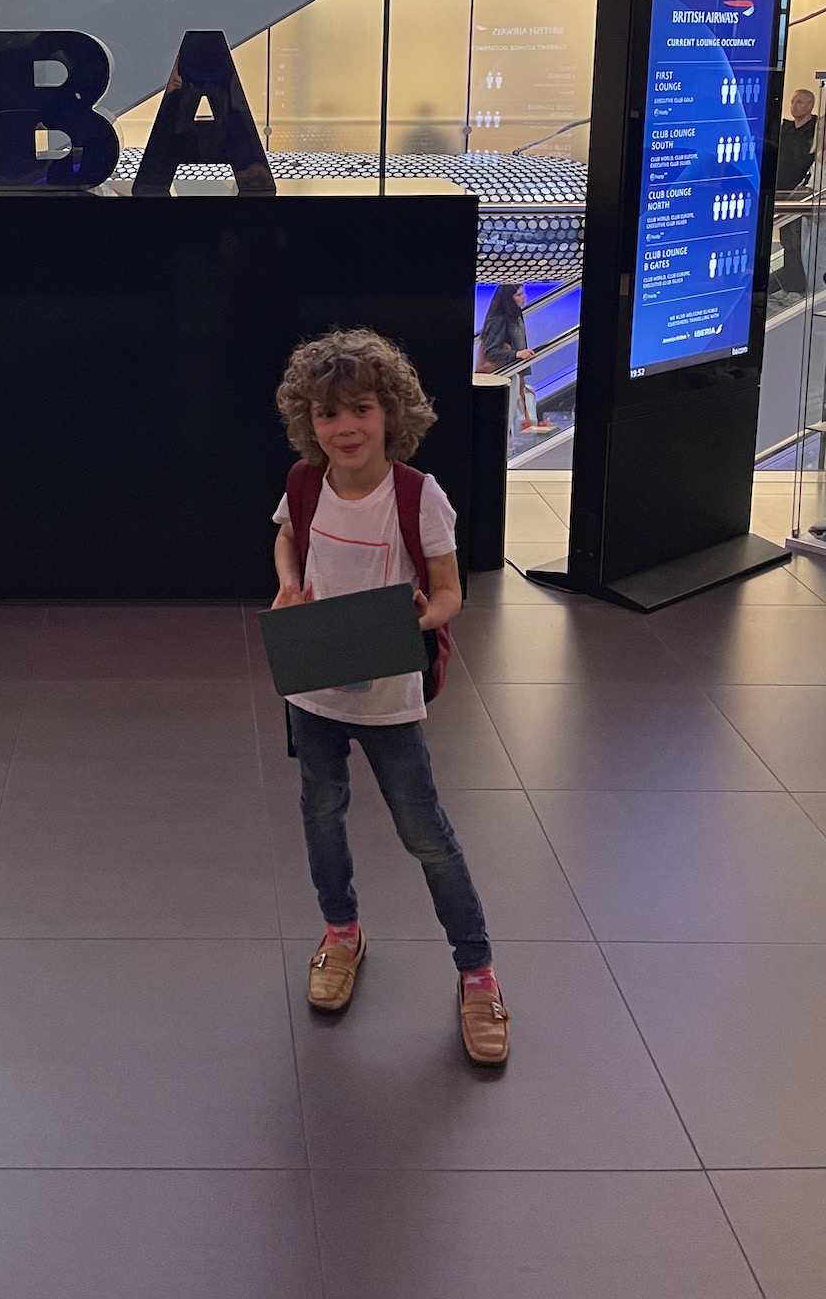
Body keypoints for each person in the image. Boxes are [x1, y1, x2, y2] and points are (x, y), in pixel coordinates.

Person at [269, 327, 508, 1065]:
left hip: (389, 699)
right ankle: (341, 934)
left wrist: (421, 618)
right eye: (327, 413)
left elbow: (448, 591)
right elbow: (286, 537)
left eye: (361, 409)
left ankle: (477, 973)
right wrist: (286, 584)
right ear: (309, 422)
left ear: (390, 415)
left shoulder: (417, 495)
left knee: (425, 833)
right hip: (314, 688)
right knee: (321, 814)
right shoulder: (304, 483)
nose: (344, 427)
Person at [476, 283, 554, 434]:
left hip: (511, 374)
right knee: (506, 416)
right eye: (518, 294)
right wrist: (516, 354)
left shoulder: (514, 316)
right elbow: (491, 351)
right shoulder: (499, 319)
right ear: (508, 298)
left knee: (511, 414)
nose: (524, 297)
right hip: (503, 375)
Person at [772, 89, 818, 295]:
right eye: (792, 102)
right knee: (787, 242)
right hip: (781, 192)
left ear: (810, 105)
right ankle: (789, 284)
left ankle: (799, 285)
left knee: (798, 241)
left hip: (802, 195)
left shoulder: (815, 130)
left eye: (799, 102)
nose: (794, 106)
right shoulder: (786, 129)